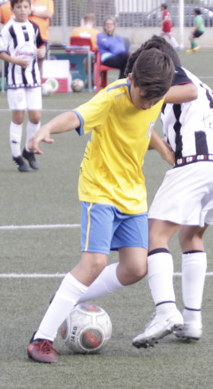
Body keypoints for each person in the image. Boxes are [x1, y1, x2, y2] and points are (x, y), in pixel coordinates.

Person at [24, 40, 176, 363]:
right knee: (93, 263)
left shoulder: (155, 97)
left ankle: (64, 299)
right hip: (100, 190)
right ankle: (41, 339)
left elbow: (144, 128)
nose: (148, 103)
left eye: (156, 98)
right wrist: (45, 129)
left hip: (133, 194)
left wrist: (162, 148)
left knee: (136, 268)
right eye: (144, 96)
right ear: (131, 79)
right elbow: (75, 116)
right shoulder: (112, 98)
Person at [127, 37, 213, 346]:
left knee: (154, 235)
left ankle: (166, 310)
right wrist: (164, 149)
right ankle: (192, 320)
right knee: (190, 237)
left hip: (198, 163)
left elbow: (184, 92)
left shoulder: (177, 75)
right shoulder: (200, 84)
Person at [0, 0, 47, 172]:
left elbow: (41, 44)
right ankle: (17, 156)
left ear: (30, 8)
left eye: (26, 7)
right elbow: (0, 51)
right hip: (16, 79)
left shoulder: (34, 27)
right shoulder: (8, 28)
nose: (23, 10)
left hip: (33, 78)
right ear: (13, 9)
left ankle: (28, 150)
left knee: (36, 116)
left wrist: (42, 51)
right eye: (19, 7)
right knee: (18, 117)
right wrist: (14, 60)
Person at [29, 0, 54, 71]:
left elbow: (49, 14)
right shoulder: (28, 0)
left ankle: (40, 82)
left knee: (41, 61)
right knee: (29, 61)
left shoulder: (48, 0)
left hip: (42, 35)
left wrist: (33, 13)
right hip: (29, 35)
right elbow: (24, 11)